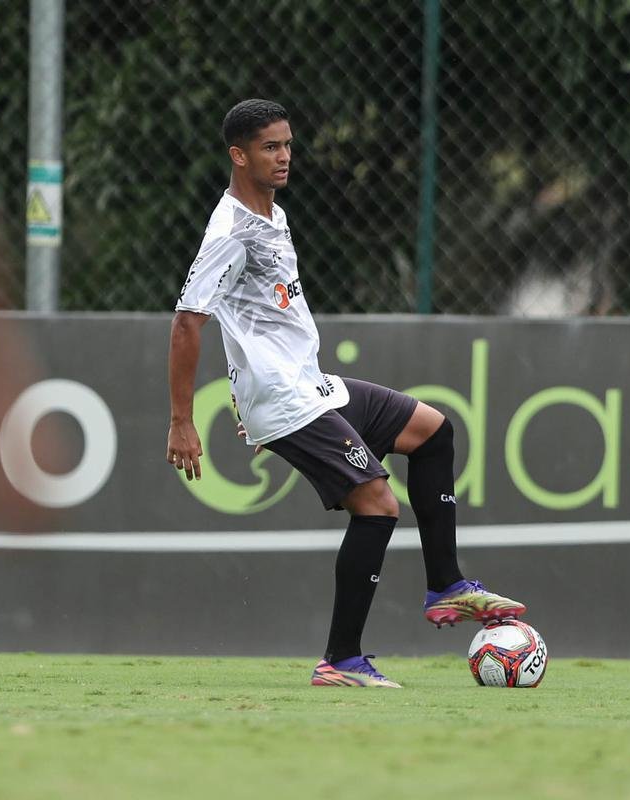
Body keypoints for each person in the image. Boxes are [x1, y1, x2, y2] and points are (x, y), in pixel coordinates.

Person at [166, 99, 525, 688]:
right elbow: (188, 322)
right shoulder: (231, 230)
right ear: (239, 155)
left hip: (304, 384)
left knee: (433, 430)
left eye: (287, 145)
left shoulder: (273, 217)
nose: (283, 157)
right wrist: (183, 420)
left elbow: (249, 321)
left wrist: (247, 393)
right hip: (286, 397)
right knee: (378, 505)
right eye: (269, 148)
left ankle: (447, 587)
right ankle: (341, 660)